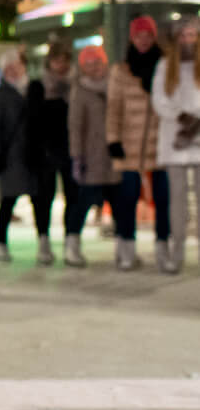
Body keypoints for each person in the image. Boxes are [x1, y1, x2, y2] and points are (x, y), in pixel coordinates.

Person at [106, 15, 170, 271]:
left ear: (154, 38)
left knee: (163, 199)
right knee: (127, 198)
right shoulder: (121, 70)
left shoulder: (165, 67)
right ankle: (126, 248)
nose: (143, 40)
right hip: (128, 145)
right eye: (139, 36)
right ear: (132, 39)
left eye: (148, 36)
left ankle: (162, 248)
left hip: (160, 145)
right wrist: (113, 140)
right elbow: (113, 108)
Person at [151, 15, 200, 273]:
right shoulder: (164, 65)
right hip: (175, 140)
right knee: (177, 201)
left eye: (191, 34)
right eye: (183, 35)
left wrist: (196, 121)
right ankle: (177, 251)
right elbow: (159, 99)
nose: (187, 39)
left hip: (198, 138)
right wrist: (181, 116)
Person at [66, 44, 119, 267]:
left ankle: (124, 248)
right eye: (88, 63)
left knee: (120, 203)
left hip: (116, 156)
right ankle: (72, 245)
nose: (94, 67)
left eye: (97, 61)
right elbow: (75, 127)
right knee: (84, 202)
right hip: (92, 157)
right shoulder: (80, 90)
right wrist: (77, 157)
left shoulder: (116, 86)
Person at [0, 50, 36, 262]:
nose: (13, 71)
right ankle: (0, 242)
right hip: (10, 154)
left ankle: (43, 241)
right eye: (8, 68)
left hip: (33, 154)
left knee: (39, 198)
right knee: (8, 199)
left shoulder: (34, 90)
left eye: (16, 66)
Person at [29, 44, 76, 268]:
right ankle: (43, 240)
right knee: (44, 198)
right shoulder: (38, 86)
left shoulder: (76, 86)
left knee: (72, 197)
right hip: (45, 151)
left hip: (71, 149)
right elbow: (32, 120)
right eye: (57, 60)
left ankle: (71, 240)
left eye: (65, 60)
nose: (61, 64)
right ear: (49, 62)